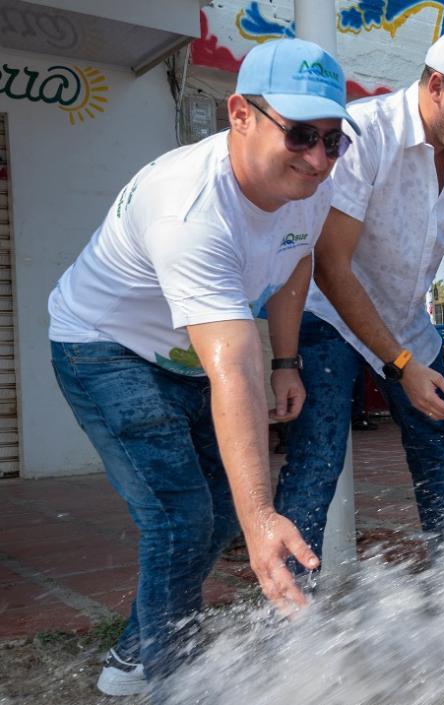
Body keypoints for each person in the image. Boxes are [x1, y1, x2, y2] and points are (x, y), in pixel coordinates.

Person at [47, 39, 357, 696]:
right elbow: (232, 370)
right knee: (182, 517)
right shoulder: (189, 206)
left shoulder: (310, 186)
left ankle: (135, 653)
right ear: (240, 114)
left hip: (189, 355)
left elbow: (297, 258)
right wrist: (263, 517)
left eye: (334, 140)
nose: (318, 159)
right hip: (106, 347)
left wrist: (286, 360)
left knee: (214, 514)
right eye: (301, 134)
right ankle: (172, 680)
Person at [274, 28, 444, 558]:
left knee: (439, 450)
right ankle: (285, 601)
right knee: (317, 461)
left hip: (406, 318)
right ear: (437, 86)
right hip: (331, 317)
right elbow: (331, 266)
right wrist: (401, 365)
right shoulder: (365, 132)